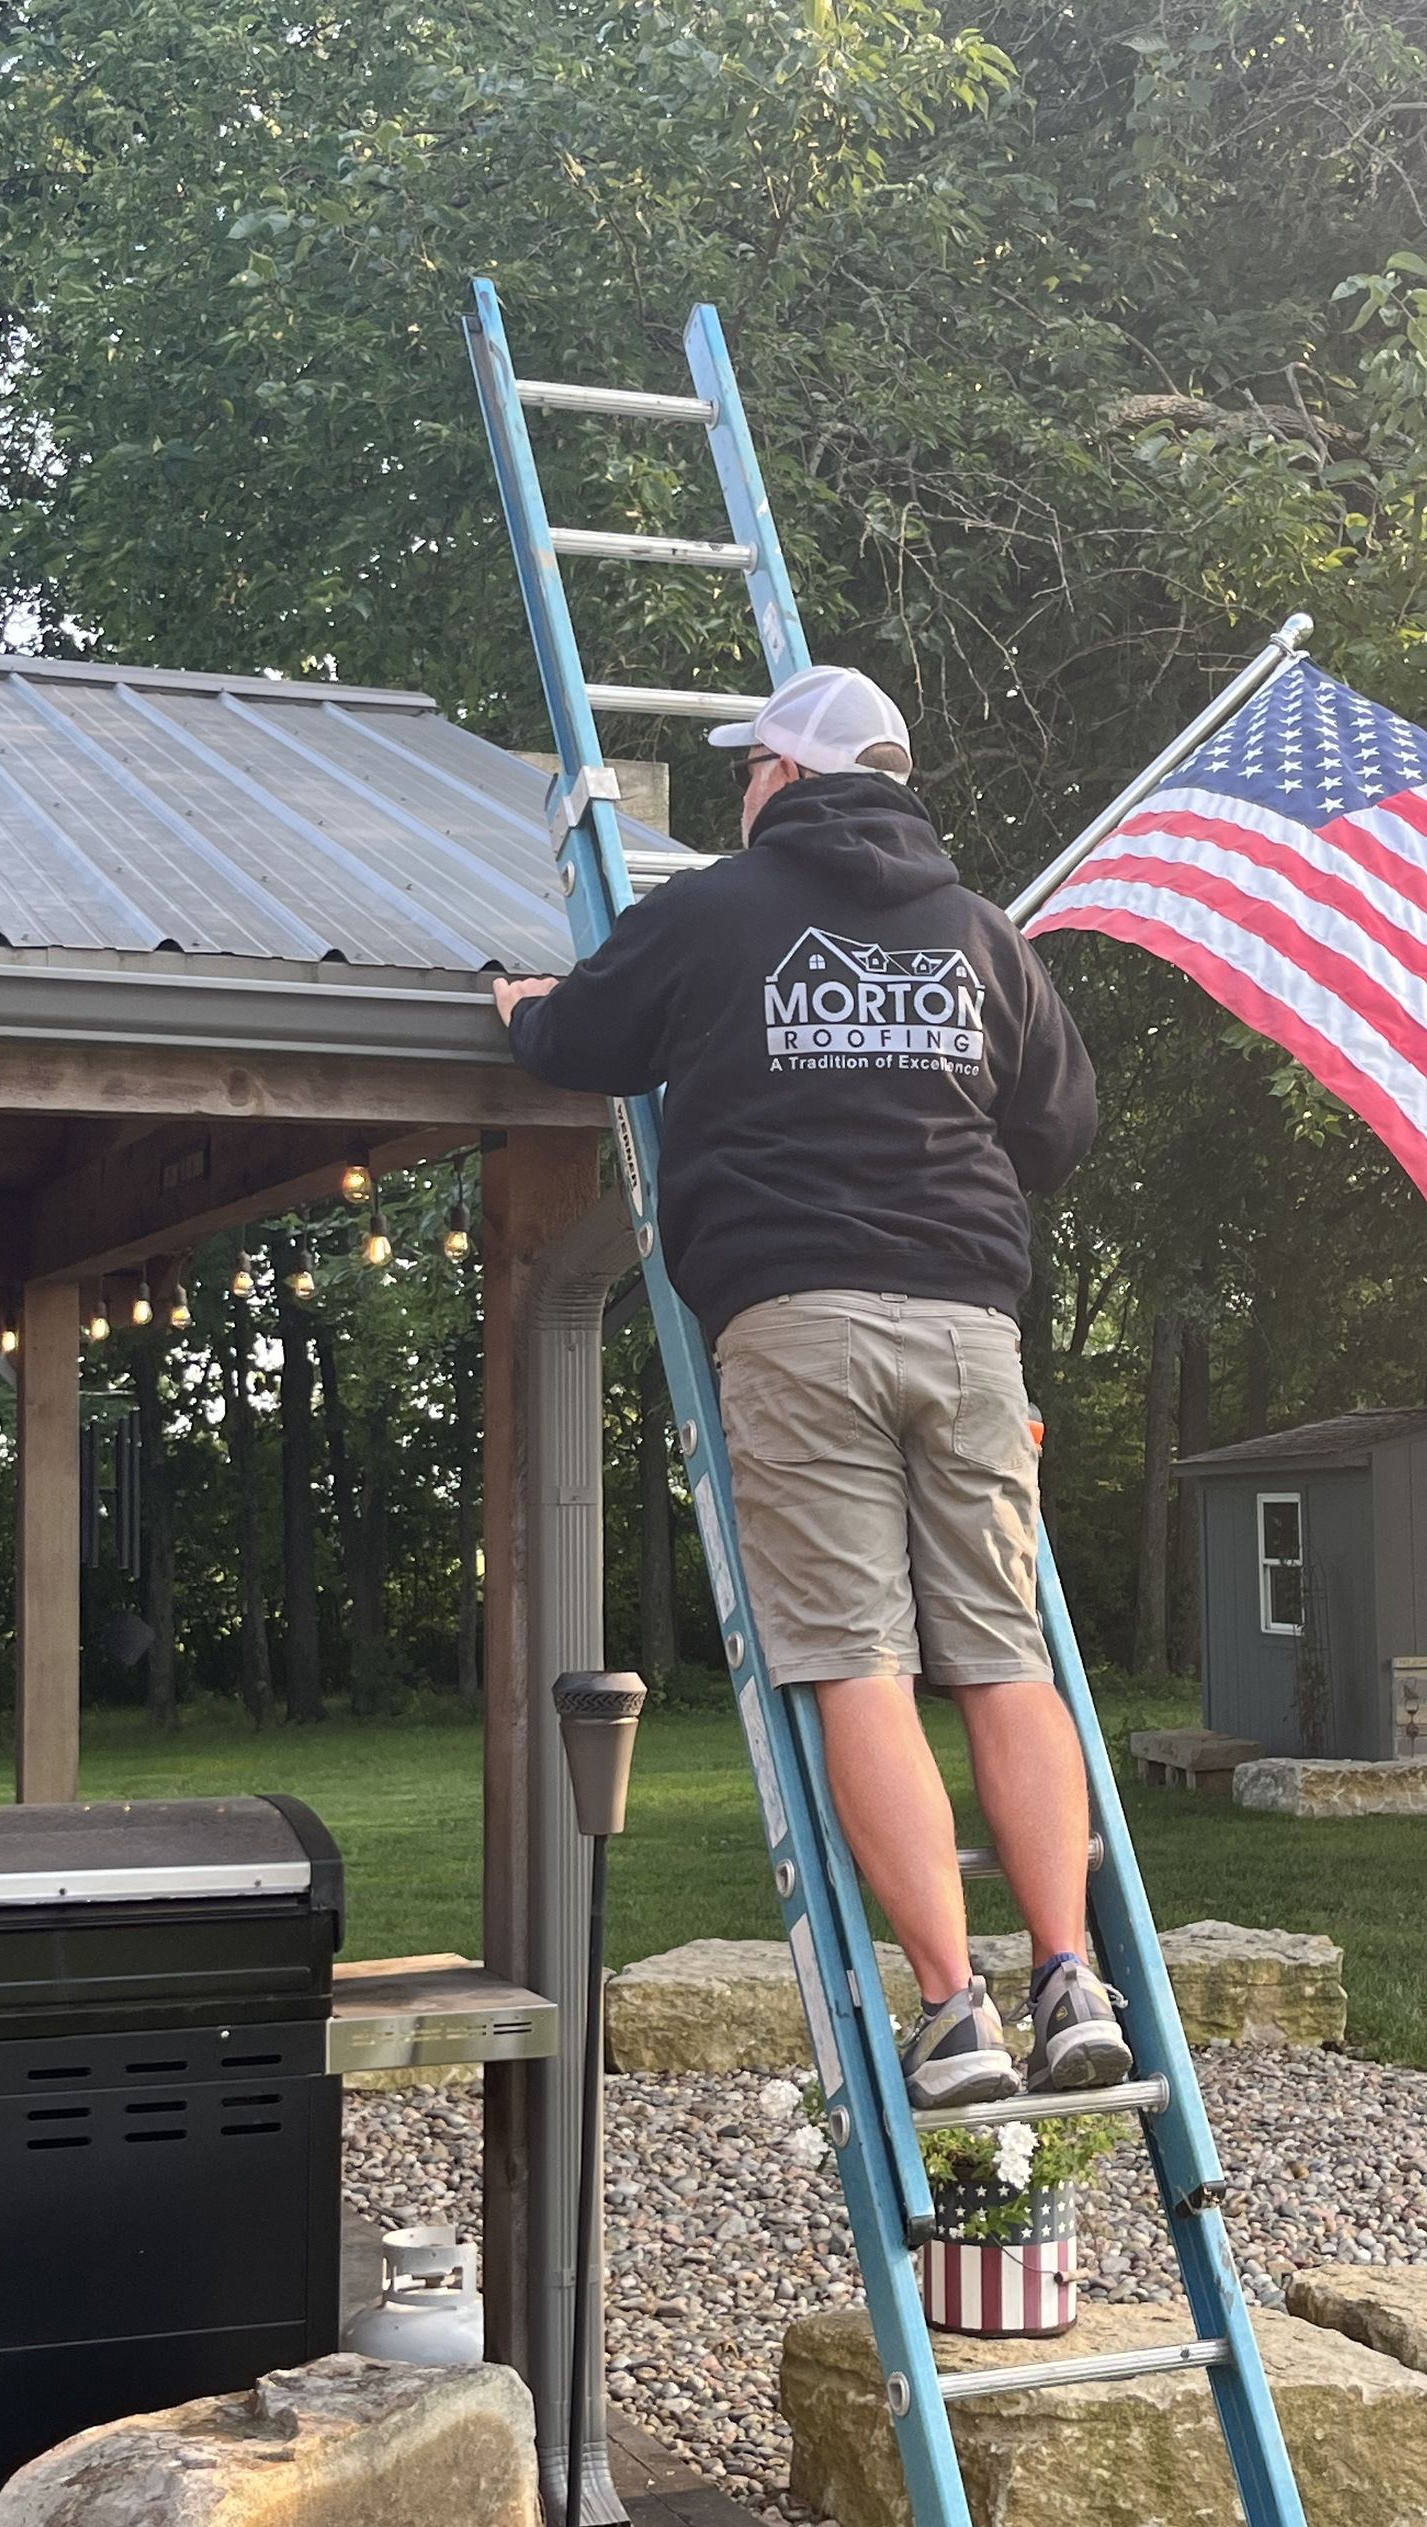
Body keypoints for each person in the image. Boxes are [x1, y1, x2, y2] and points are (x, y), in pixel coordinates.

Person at [495, 663, 1130, 2107]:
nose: (738, 792)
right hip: (971, 1329)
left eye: (745, 770)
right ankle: (1067, 1972)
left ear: (783, 778)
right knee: (1006, 1659)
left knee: (861, 1664)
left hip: (800, 1327)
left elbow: (577, 1042)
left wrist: (520, 1003)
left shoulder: (716, 914)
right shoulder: (979, 934)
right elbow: (1062, 1124)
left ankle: (957, 2009)